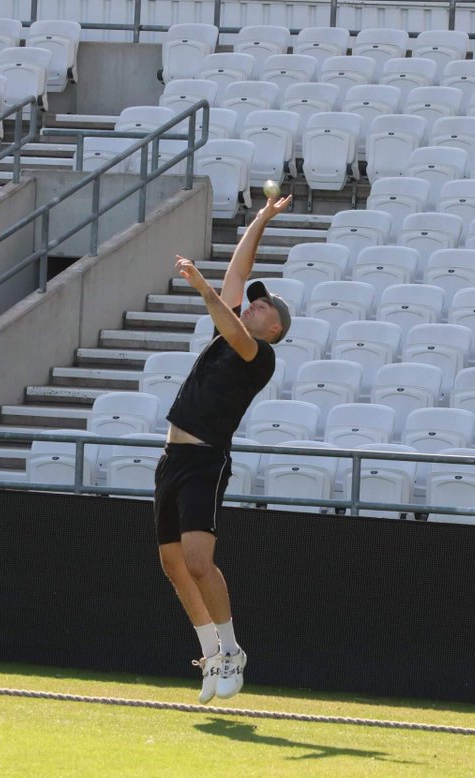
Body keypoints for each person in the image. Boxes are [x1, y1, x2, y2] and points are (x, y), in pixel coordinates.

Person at [154, 194, 293, 704]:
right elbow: (239, 271)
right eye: (253, 302)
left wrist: (202, 287)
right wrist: (261, 219)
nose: (253, 304)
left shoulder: (260, 355)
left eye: (263, 306)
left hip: (205, 461)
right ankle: (210, 654)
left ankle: (233, 650)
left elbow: (230, 319)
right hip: (172, 459)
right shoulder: (232, 330)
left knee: (197, 561)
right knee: (172, 565)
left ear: (274, 328)